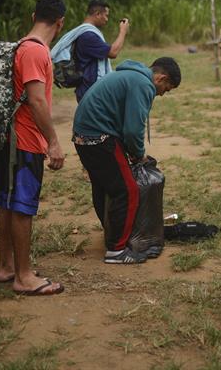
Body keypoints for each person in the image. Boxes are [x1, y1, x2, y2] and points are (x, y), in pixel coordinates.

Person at [72, 57, 181, 263]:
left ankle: (112, 235)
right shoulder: (143, 84)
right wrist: (139, 154)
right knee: (127, 190)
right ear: (161, 78)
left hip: (83, 136)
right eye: (166, 89)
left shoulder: (129, 75)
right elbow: (132, 130)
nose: (162, 94)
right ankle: (117, 250)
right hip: (99, 137)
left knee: (103, 187)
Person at [0, 0, 67, 295]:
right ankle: (23, 277)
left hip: (9, 139)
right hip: (23, 142)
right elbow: (37, 101)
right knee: (22, 208)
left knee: (7, 203)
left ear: (34, 15)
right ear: (60, 23)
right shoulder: (36, 51)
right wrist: (53, 141)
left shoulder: (21, 46)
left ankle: (7, 266)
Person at [50, 0, 130, 102]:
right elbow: (113, 52)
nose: (107, 19)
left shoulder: (86, 32)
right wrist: (123, 31)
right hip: (90, 91)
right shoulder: (88, 35)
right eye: (106, 15)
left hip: (89, 89)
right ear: (97, 14)